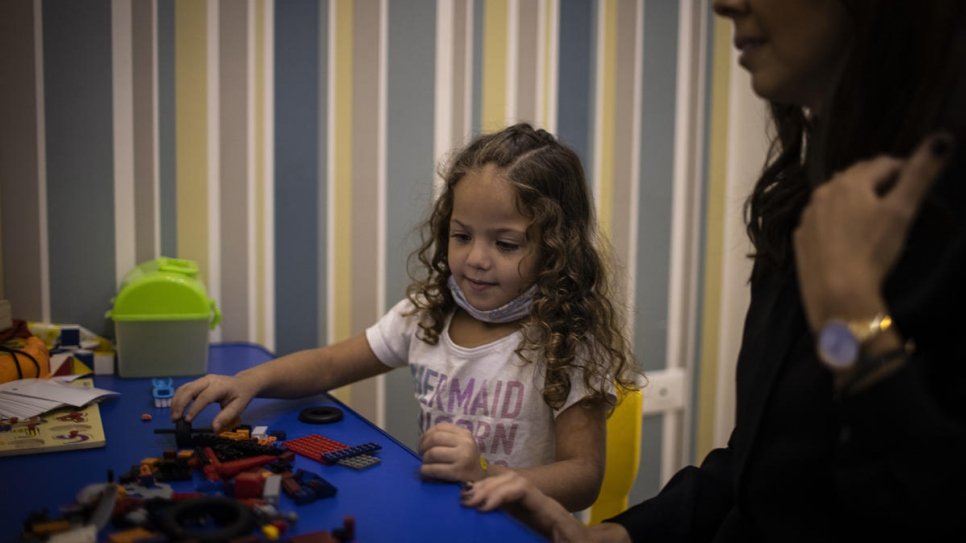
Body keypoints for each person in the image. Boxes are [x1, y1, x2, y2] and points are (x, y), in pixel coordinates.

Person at [459, 0, 966, 540]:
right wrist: (614, 536)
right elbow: (763, 467)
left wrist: (855, 319)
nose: (724, 5)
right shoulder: (805, 199)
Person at [170, 123, 639, 512]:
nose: (476, 258)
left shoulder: (567, 342)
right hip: (440, 519)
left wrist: (485, 474)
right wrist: (251, 381)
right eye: (461, 235)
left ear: (556, 250)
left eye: (506, 244)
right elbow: (332, 365)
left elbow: (583, 477)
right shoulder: (429, 315)